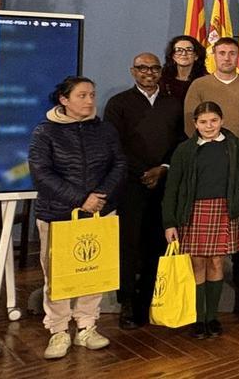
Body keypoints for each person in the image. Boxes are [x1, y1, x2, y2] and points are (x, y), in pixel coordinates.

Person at [28, 76, 125, 360]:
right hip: (57, 214)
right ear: (64, 99)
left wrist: (100, 196)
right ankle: (58, 330)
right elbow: (41, 173)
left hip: (98, 213)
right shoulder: (44, 132)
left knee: (93, 271)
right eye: (82, 95)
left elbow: (119, 163)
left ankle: (86, 326)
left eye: (92, 95)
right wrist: (80, 199)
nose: (89, 100)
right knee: (57, 275)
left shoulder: (104, 129)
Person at [103, 53, 185, 330]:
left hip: (164, 183)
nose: (148, 73)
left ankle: (150, 299)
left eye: (154, 68)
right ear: (132, 71)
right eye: (142, 68)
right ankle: (127, 301)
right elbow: (113, 145)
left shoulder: (174, 103)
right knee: (129, 244)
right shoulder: (119, 103)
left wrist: (162, 168)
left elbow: (181, 141)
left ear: (161, 71)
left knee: (157, 244)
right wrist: (143, 172)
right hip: (130, 184)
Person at [161, 102, 239, 338]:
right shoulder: (185, 150)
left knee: (216, 263)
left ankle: (212, 317)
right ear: (195, 125)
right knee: (197, 264)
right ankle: (198, 318)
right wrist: (169, 222)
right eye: (203, 122)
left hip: (222, 210)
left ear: (221, 121)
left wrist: (238, 197)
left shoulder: (234, 146)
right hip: (193, 212)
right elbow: (172, 188)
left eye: (213, 121)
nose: (209, 126)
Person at [183, 37, 239, 141]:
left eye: (232, 53)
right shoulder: (198, 85)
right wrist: (203, 145)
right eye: (222, 53)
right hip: (205, 148)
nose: (227, 58)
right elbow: (190, 122)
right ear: (214, 56)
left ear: (238, 56)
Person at [160, 35, 207, 100]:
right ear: (173, 56)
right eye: (179, 50)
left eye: (189, 50)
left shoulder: (205, 80)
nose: (184, 53)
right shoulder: (162, 78)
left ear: (196, 56)